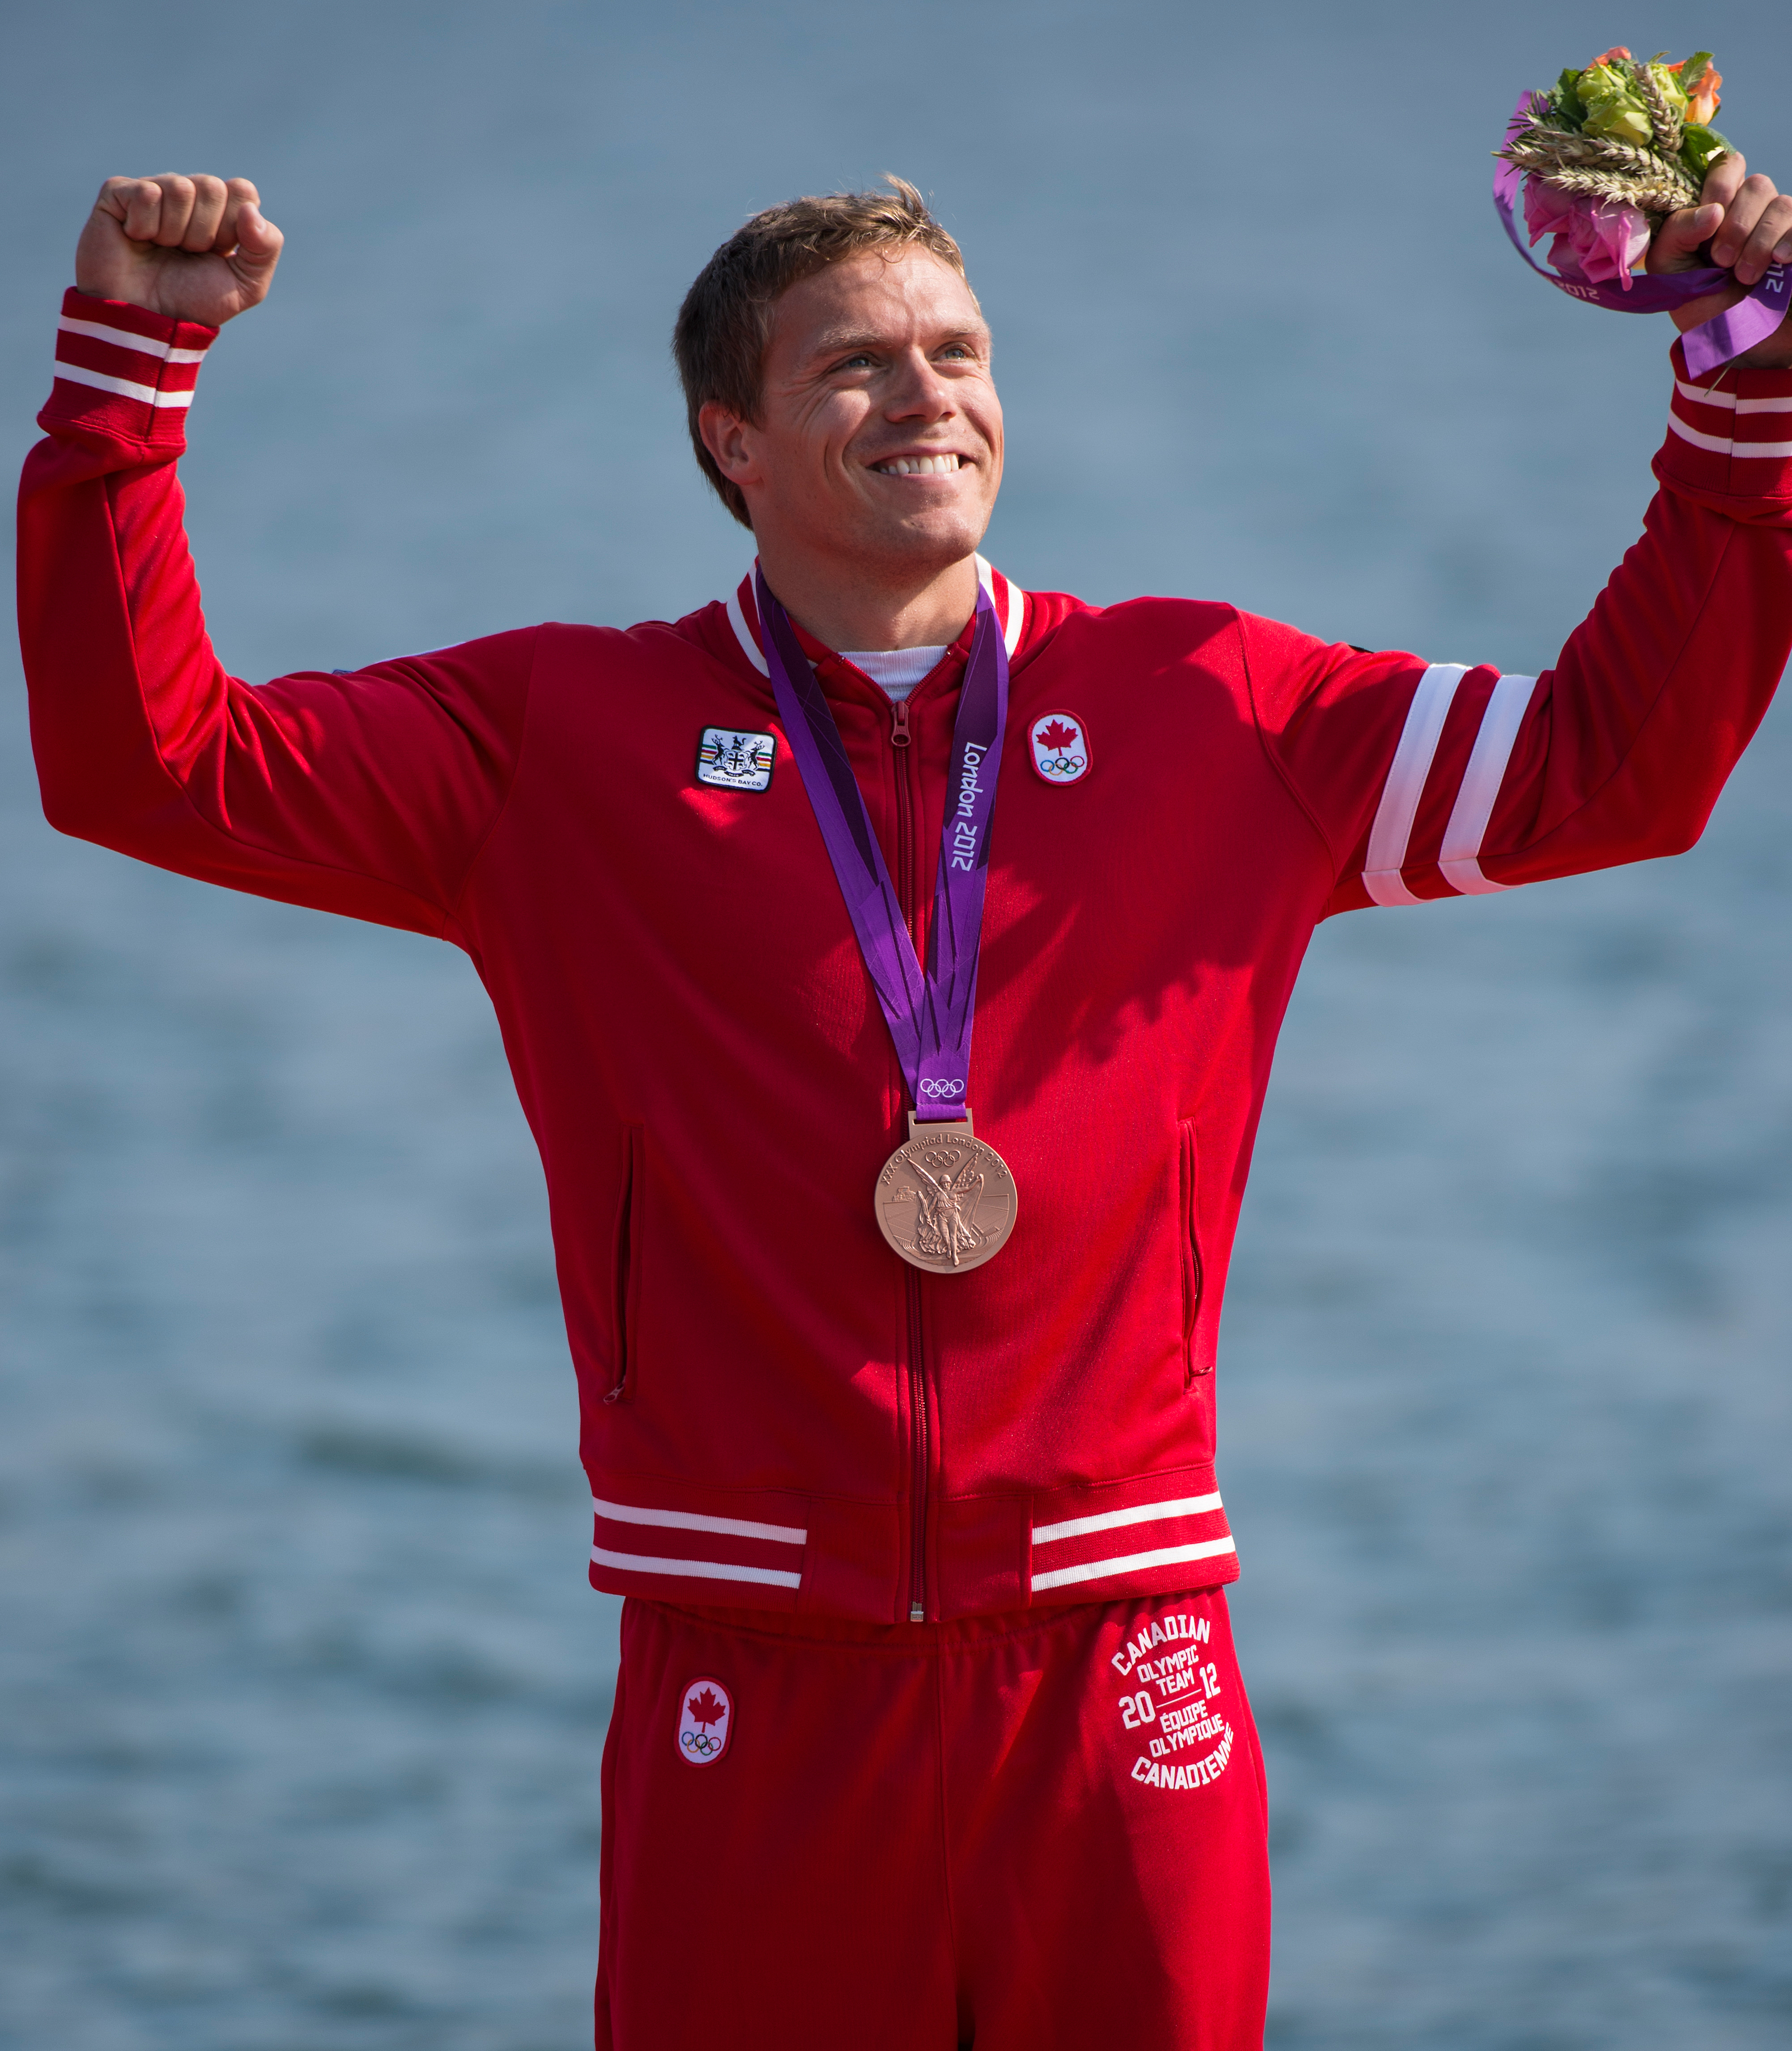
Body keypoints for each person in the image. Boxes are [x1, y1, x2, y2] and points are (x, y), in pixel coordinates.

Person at [17, 161, 1792, 2050]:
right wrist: (129, 373)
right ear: (734, 443)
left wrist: (1745, 372)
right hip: (749, 1675)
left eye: (958, 352)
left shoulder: (1215, 707)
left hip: (1123, 1662)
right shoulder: (559, 742)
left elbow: (1618, 764)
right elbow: (149, 762)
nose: (929, 394)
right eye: (856, 366)